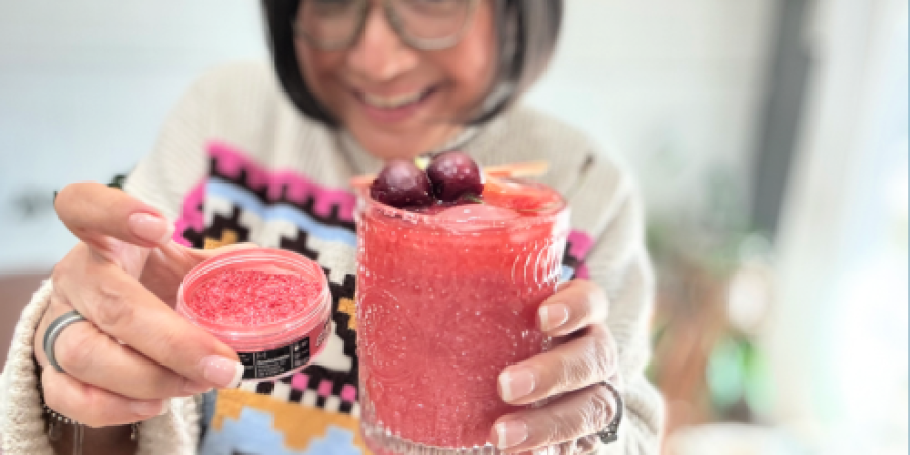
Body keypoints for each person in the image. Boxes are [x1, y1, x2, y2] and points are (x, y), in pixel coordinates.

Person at [0, 1, 664, 454]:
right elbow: (105, 389)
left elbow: (625, 422)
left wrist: (585, 425)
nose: (377, 58)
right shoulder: (222, 122)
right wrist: (73, 364)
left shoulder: (583, 189)